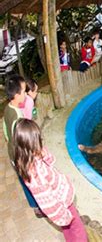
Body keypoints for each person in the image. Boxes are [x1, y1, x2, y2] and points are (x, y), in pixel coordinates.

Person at [14, 119, 88, 241]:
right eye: (38, 140)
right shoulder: (36, 176)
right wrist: (62, 215)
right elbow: (47, 202)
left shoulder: (27, 158)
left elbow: (50, 161)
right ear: (31, 143)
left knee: (68, 229)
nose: (41, 141)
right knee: (79, 230)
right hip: (62, 204)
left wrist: (41, 152)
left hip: (62, 199)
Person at [3, 75, 44, 218]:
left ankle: (34, 205)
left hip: (12, 154)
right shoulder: (18, 118)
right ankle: (38, 207)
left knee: (23, 181)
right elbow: (22, 141)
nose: (25, 93)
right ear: (16, 95)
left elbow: (5, 131)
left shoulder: (8, 109)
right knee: (30, 181)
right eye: (23, 91)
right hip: (20, 157)